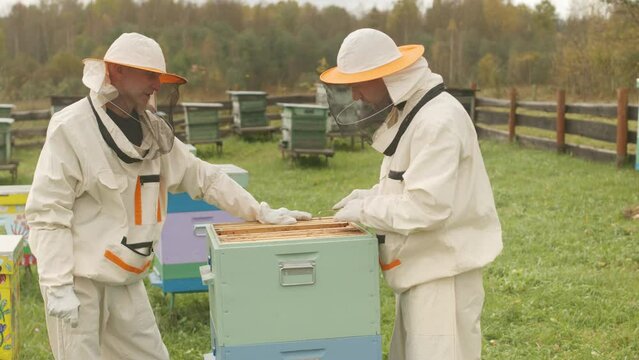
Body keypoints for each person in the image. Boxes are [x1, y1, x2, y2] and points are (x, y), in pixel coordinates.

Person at [25, 32, 311, 359]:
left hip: (127, 280)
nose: (157, 85)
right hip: (78, 283)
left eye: (159, 77)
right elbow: (48, 214)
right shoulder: (71, 128)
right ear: (116, 71)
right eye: (150, 75)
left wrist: (258, 210)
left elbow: (202, 176)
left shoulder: (153, 130)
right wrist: (57, 285)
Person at [320, 28, 503, 360]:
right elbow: (407, 183)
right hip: (424, 271)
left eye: (359, 82)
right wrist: (369, 195)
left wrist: (365, 211)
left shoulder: (437, 121)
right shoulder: (416, 111)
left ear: (387, 76)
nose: (356, 95)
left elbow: (426, 208)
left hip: (443, 278)